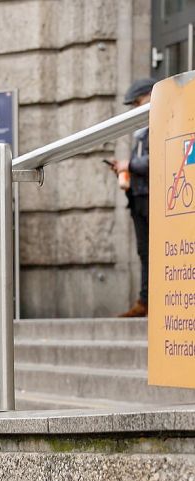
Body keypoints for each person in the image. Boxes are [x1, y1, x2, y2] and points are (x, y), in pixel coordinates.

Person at [110, 78, 155, 318]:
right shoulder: (141, 132)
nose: (136, 108)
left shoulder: (161, 123)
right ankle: (146, 300)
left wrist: (131, 164)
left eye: (138, 102)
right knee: (145, 252)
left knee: (156, 251)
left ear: (150, 95)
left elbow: (158, 158)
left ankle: (153, 301)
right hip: (138, 197)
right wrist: (124, 169)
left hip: (154, 198)